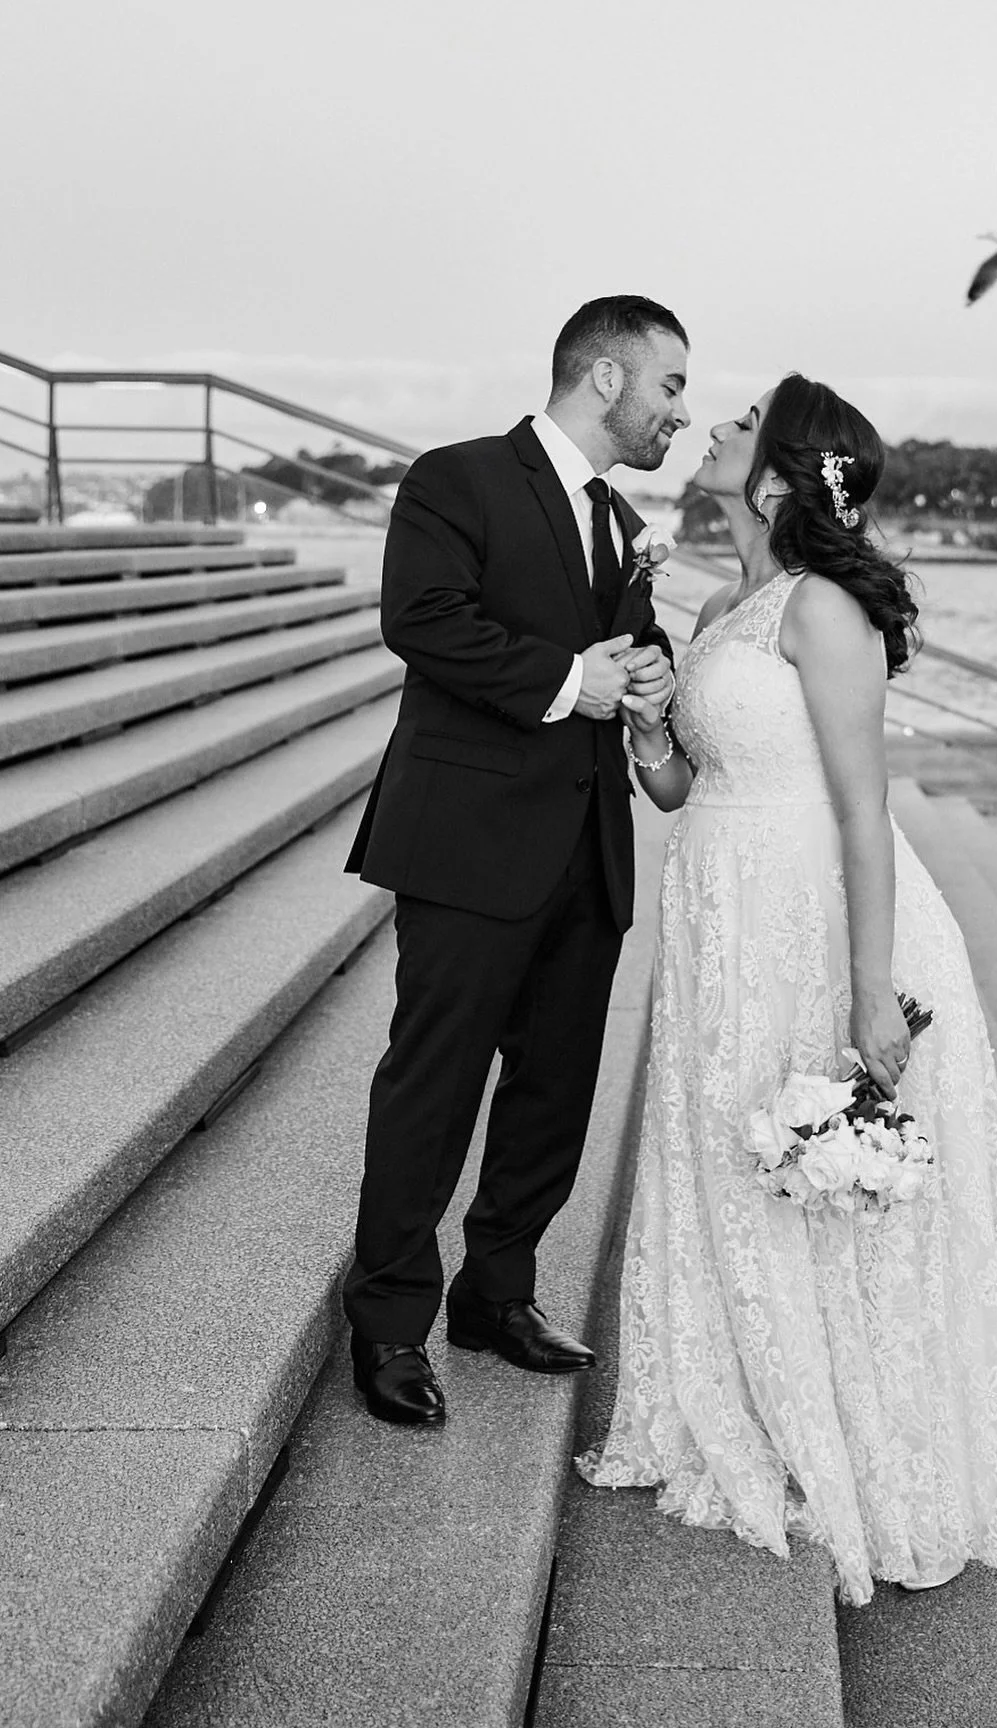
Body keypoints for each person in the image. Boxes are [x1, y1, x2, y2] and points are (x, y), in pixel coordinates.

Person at [578, 373, 997, 1602]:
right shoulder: (731, 600)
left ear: (780, 473)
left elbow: (861, 807)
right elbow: (683, 789)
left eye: (740, 423)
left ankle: (851, 1431)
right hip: (721, 911)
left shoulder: (825, 607)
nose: (717, 429)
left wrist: (870, 988)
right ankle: (744, 1396)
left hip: (811, 915)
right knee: (729, 1150)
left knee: (805, 1160)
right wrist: (644, 729)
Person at [343, 295, 687, 1425]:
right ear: (604, 377)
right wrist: (568, 682)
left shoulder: (624, 526)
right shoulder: (458, 478)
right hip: (469, 843)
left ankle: (500, 1293)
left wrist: (646, 676)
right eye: (669, 387)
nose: (679, 414)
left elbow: (623, 650)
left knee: (554, 1093)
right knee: (432, 1086)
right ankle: (391, 1321)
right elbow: (424, 619)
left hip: (588, 851)